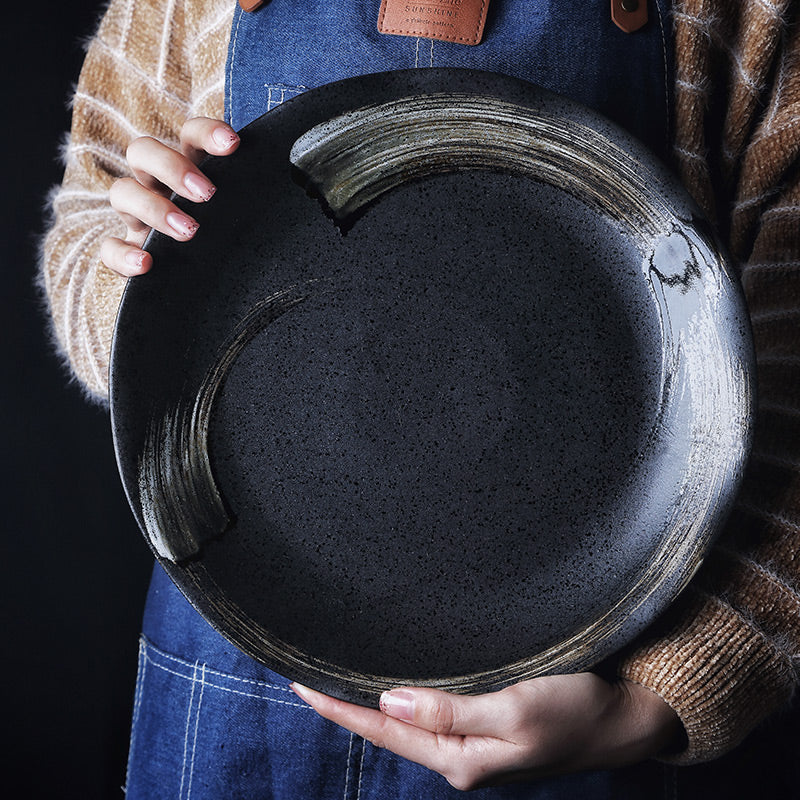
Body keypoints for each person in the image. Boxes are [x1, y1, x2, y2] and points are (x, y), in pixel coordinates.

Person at [42, 0, 799, 797]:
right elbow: (87, 220)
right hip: (233, 696)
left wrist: (664, 697)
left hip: (576, 715)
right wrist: (150, 292)